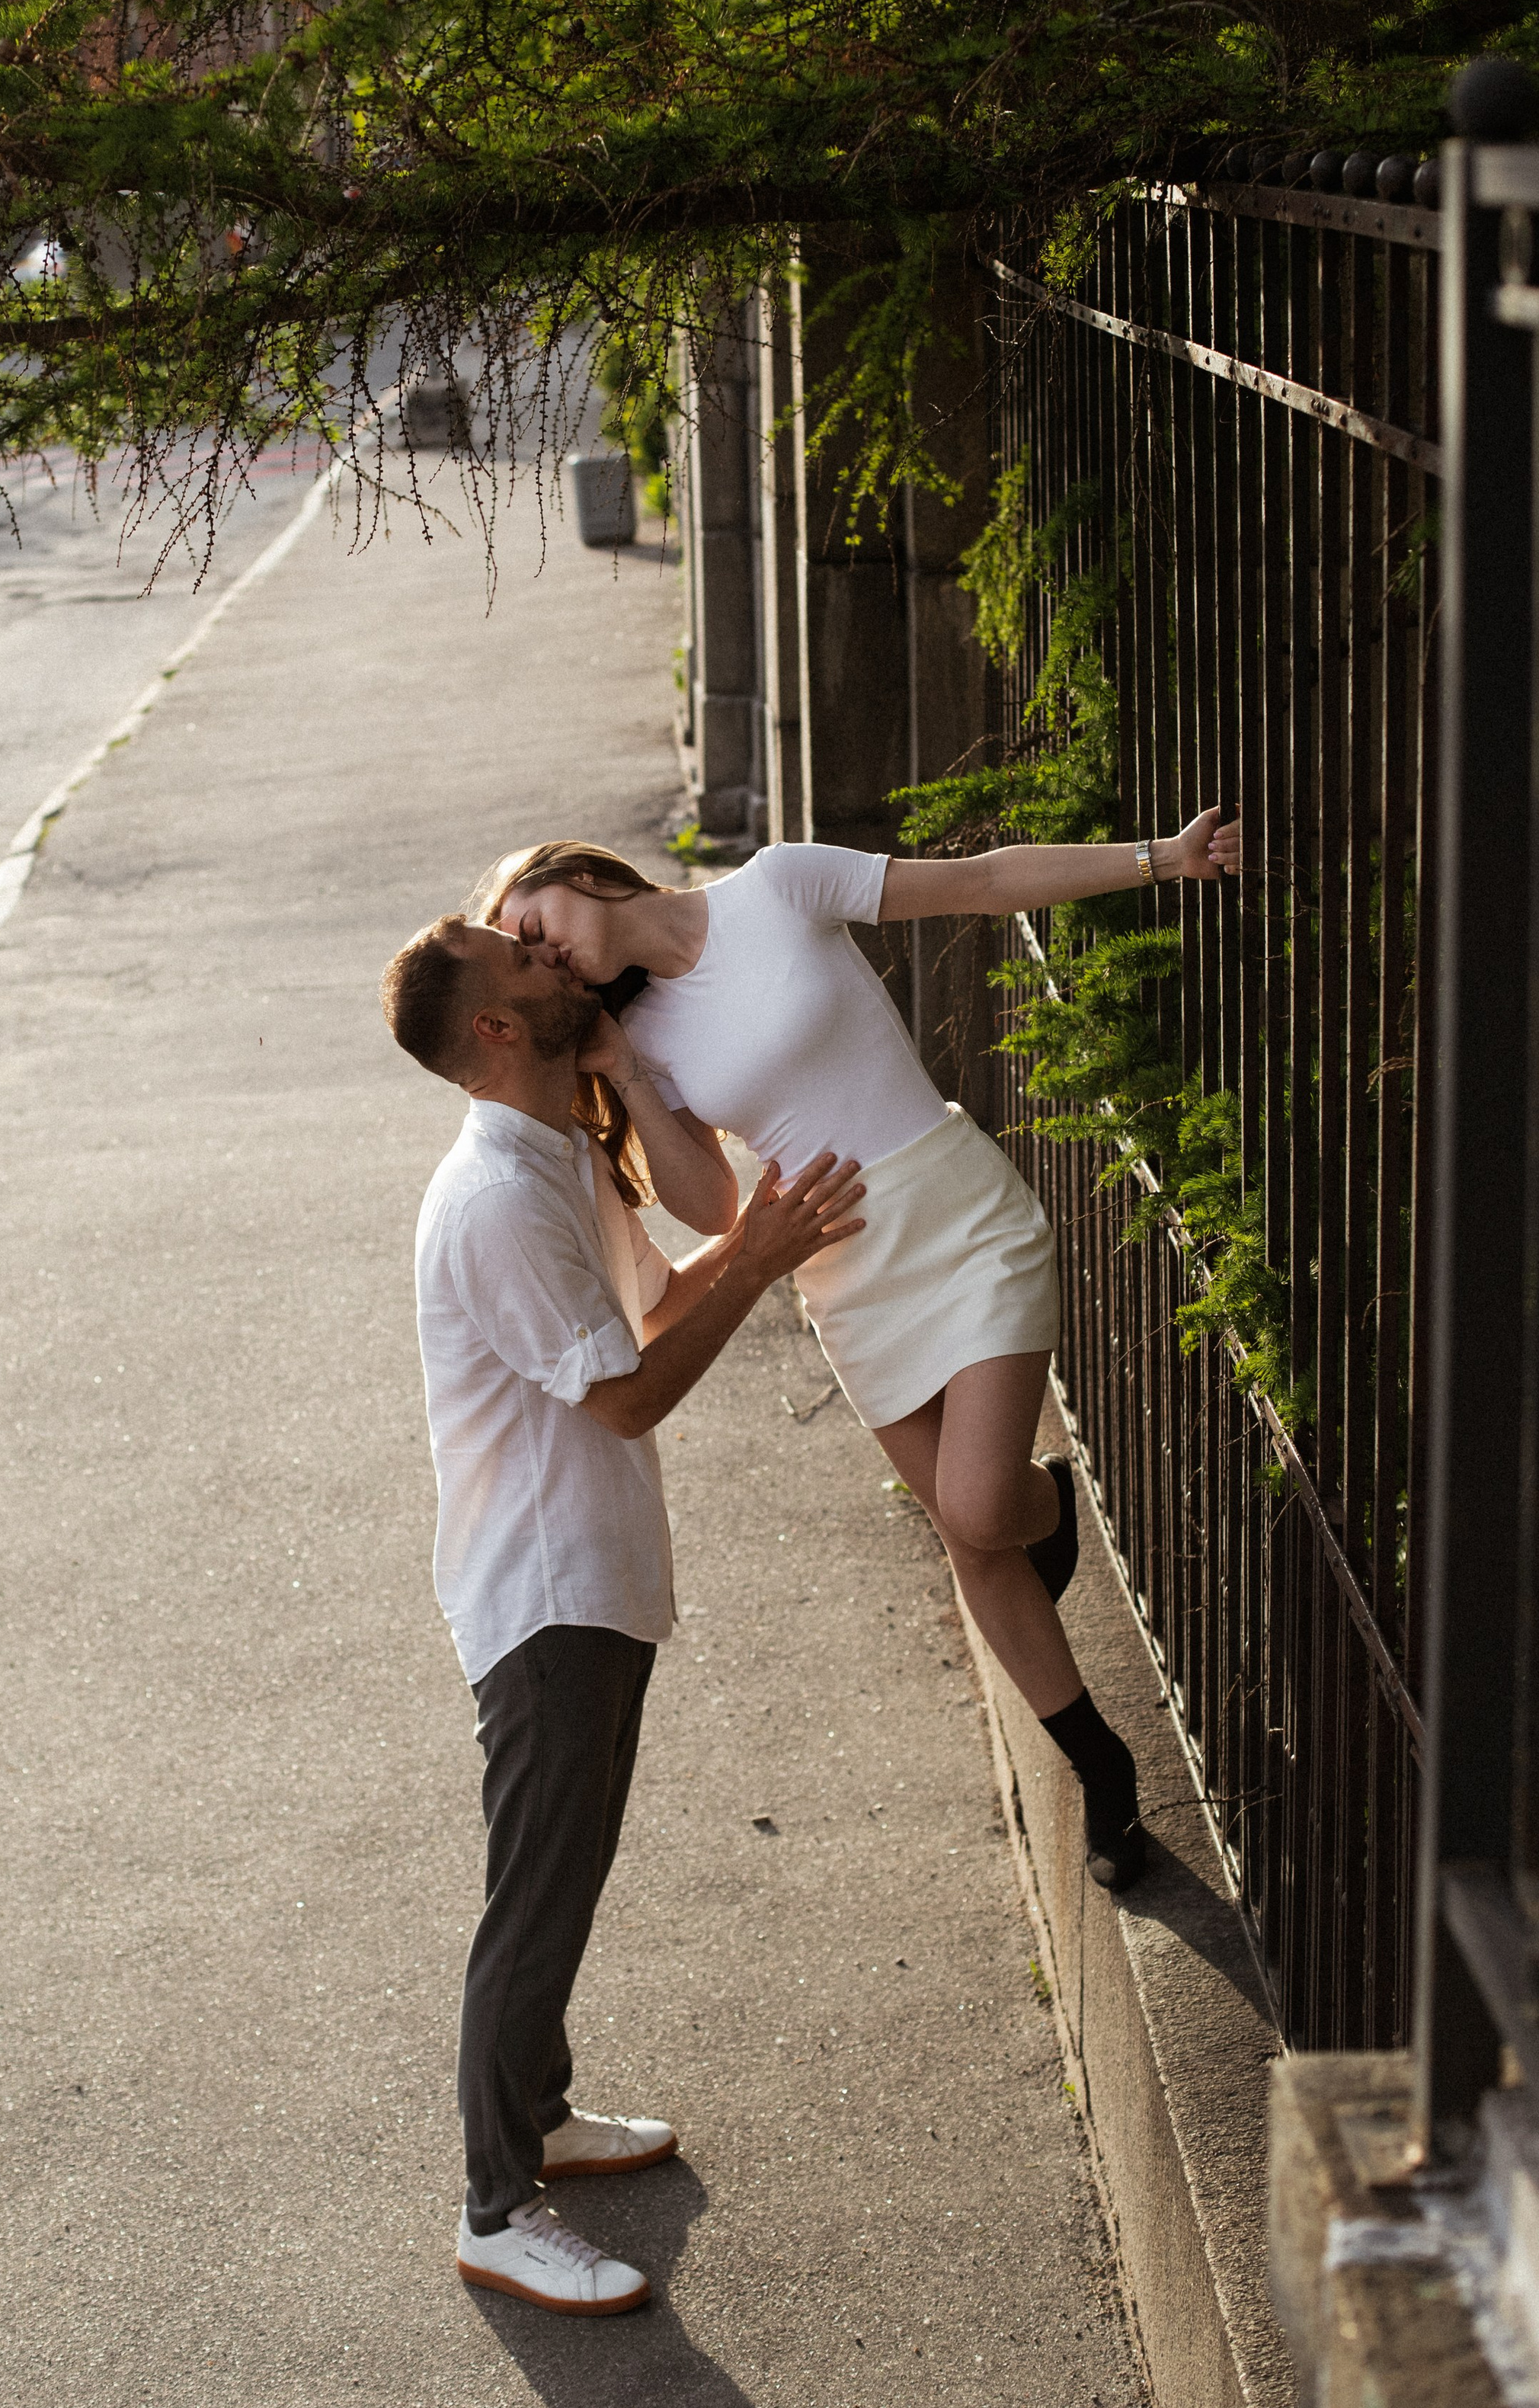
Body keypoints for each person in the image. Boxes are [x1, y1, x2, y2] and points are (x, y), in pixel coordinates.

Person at [473, 811, 1242, 1897]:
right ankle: (1102, 1771)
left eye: (530, 920)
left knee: (981, 1511)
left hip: (956, 1215)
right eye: (521, 954)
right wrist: (625, 1071)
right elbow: (713, 1204)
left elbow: (980, 883)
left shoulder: (777, 888)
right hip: (848, 1274)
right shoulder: (640, 1044)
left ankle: (1049, 1515)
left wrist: (1161, 858)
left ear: (578, 874)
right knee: (970, 1534)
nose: (539, 948)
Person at [381, 910, 862, 2317]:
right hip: (541, 1593)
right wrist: (762, 1259)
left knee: (568, 1870)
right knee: (533, 1897)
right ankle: (491, 2207)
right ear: (493, 1029)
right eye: (521, 961)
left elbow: (650, 1311)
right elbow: (630, 1393)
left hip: (591, 1575)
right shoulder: (496, 1201)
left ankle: (541, 2119)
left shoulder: (563, 1158)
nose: (557, 961)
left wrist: (762, 1236)